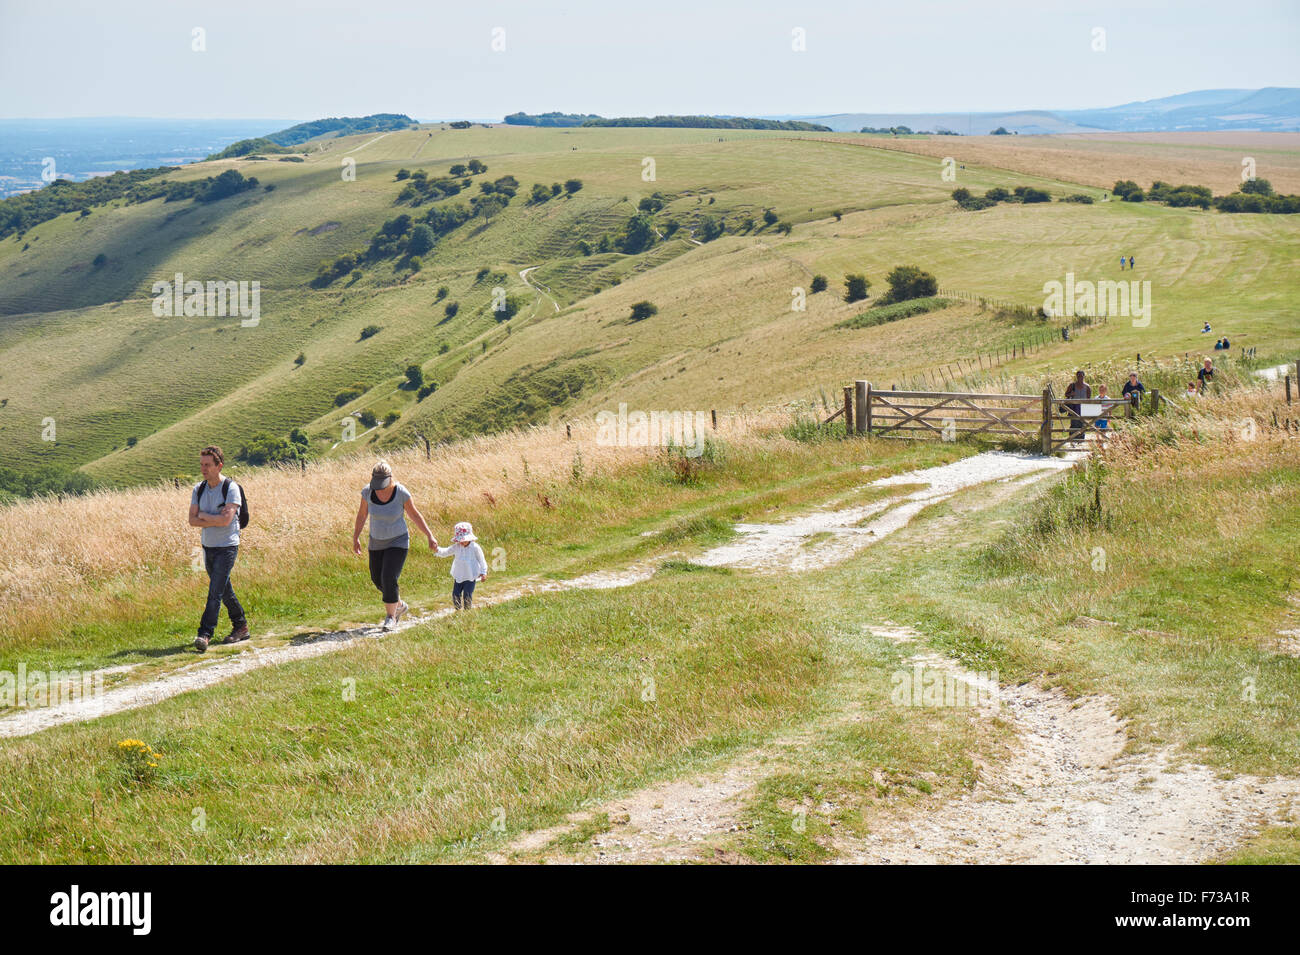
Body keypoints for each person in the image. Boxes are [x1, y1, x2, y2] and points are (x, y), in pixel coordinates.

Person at [352, 460, 437, 630]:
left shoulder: (401, 493)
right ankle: (398, 604)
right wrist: (356, 537)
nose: (380, 488)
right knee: (377, 579)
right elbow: (362, 516)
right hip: (376, 542)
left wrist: (430, 536)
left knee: (389, 576)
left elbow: (415, 515)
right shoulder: (367, 492)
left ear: (390, 479)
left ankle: (391, 617)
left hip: (398, 541)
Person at [189, 445, 249, 652]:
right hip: (209, 546)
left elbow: (226, 521)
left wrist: (205, 516)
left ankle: (204, 634)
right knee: (223, 590)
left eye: (207, 465)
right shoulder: (199, 489)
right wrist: (213, 518)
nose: (203, 469)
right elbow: (192, 520)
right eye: (201, 464)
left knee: (214, 592)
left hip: (227, 546)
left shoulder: (231, 488)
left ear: (219, 466)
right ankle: (241, 625)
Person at [435, 522, 488, 610]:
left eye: (464, 540)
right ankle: (458, 610)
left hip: (470, 576)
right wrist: (437, 549)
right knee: (455, 594)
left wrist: (483, 572)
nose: (462, 542)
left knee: (467, 594)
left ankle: (467, 612)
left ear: (470, 537)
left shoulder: (475, 547)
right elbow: (446, 552)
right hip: (459, 575)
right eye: (460, 540)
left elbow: (481, 560)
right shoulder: (457, 547)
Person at [1063, 370, 1091, 441]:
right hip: (1074, 407)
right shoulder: (1072, 385)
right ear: (1076, 377)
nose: (1080, 377)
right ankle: (1072, 439)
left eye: (1081, 376)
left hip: (1083, 407)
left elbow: (1089, 398)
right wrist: (1071, 394)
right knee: (1074, 423)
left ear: (1084, 376)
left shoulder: (1087, 387)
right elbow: (1066, 394)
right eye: (1078, 376)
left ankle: (1081, 440)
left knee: (1082, 424)